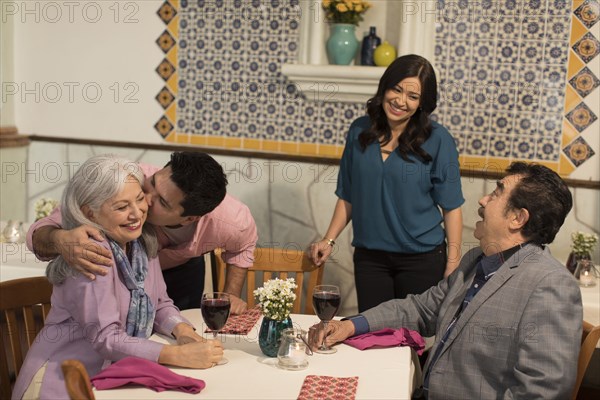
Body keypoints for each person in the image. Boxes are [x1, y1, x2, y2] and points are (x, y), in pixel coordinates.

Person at [309, 162, 582, 399]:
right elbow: (420, 309)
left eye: (497, 192)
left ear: (517, 218)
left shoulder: (550, 286)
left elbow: (543, 390)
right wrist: (350, 326)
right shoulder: (477, 261)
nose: (483, 200)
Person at [12, 155, 223, 400]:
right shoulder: (90, 253)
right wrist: (176, 356)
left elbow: (161, 303)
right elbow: (107, 338)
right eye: (122, 207)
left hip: (112, 378)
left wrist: (183, 331)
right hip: (65, 383)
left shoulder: (142, 242)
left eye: (139, 199)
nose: (138, 214)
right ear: (89, 213)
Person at [310, 54, 464, 312]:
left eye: (413, 97)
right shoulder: (359, 131)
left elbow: (452, 207)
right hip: (370, 259)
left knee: (412, 343)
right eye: (397, 89)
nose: (401, 101)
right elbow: (348, 194)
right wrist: (329, 240)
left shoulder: (439, 139)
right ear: (385, 86)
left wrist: (453, 262)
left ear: (422, 103)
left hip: (422, 259)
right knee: (373, 339)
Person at [27, 151, 258, 313]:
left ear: (190, 218)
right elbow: (37, 235)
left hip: (184, 274)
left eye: (163, 203)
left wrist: (230, 296)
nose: (144, 201)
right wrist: (59, 239)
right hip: (117, 276)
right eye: (152, 184)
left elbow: (243, 245)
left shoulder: (231, 220)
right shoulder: (124, 179)